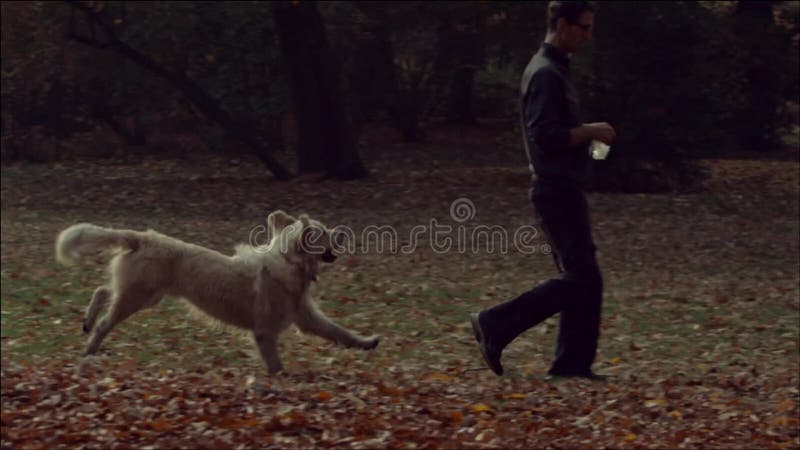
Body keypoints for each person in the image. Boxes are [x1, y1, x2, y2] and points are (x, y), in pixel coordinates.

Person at [470, 0, 616, 380]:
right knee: (581, 278)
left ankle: (572, 365)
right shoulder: (545, 74)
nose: (588, 35)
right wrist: (589, 131)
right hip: (554, 190)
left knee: (586, 278)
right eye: (583, 27)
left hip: (565, 187)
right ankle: (494, 323)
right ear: (562, 25)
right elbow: (544, 135)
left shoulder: (557, 71)